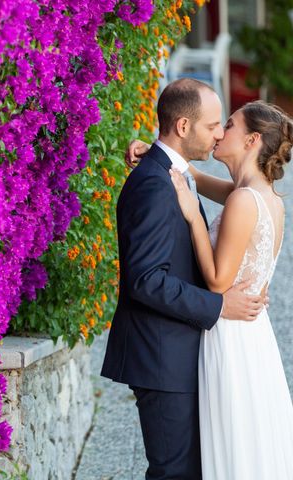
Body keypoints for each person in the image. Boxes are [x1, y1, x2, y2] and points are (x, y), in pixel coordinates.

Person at [101, 78, 267, 480]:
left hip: (178, 353)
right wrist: (219, 305)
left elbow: (242, 196)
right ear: (182, 127)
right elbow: (145, 280)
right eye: (212, 126)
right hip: (161, 357)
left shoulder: (173, 173)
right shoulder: (155, 185)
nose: (218, 134)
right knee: (174, 473)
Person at [165, 100, 293, 479]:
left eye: (230, 124)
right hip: (254, 336)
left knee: (232, 441)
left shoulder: (242, 199)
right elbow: (199, 180)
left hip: (231, 335)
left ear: (252, 140)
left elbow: (219, 281)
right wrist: (162, 154)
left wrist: (192, 217)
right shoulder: (262, 194)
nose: (220, 132)